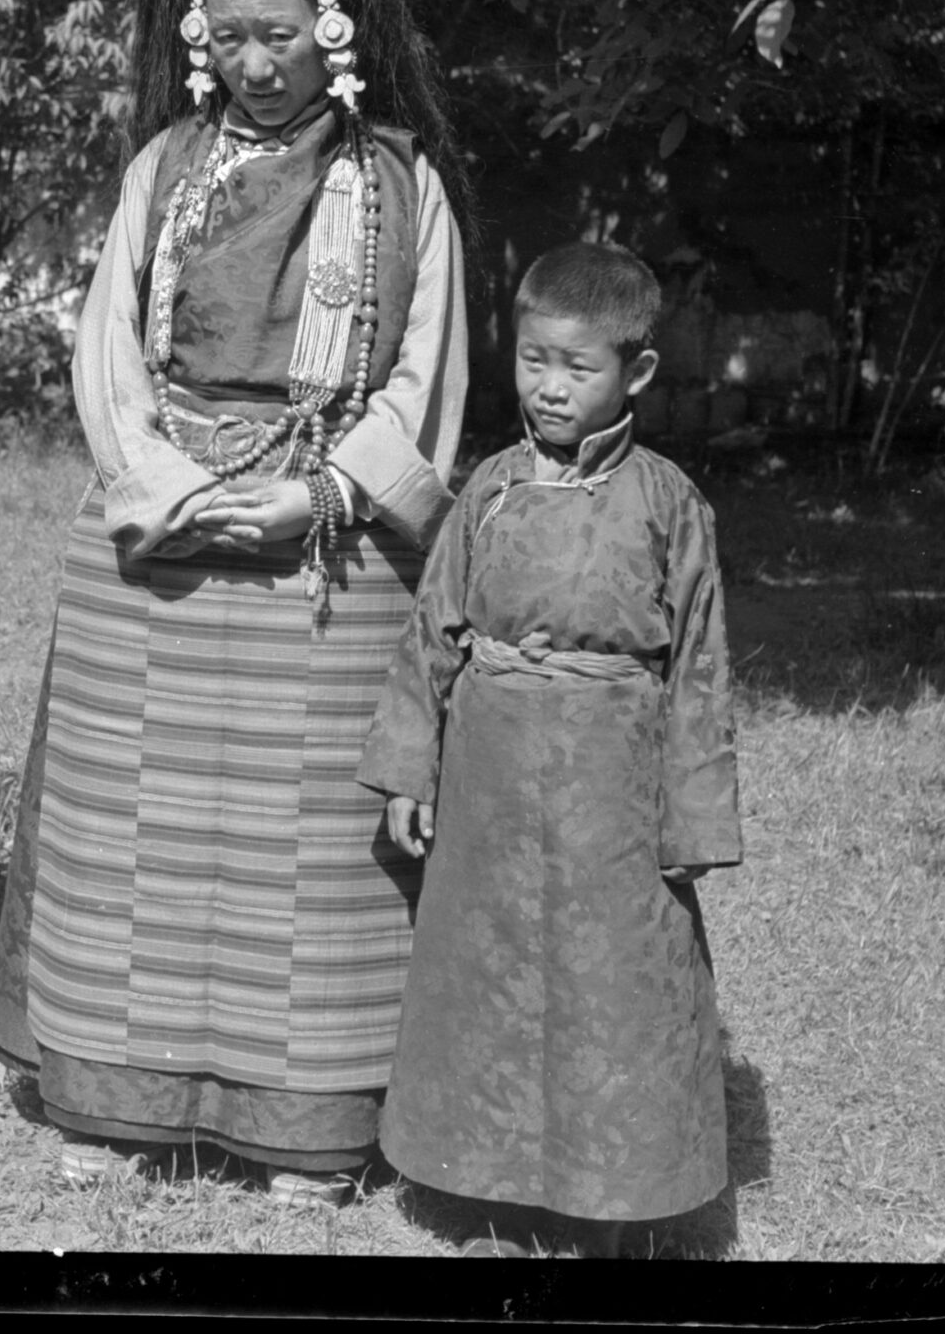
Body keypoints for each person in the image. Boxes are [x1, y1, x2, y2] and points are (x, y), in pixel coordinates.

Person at [0, 0, 473, 1207]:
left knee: (308, 857)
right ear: (202, 37)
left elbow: (424, 373)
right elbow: (106, 357)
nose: (257, 64)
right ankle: (109, 1095)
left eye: (281, 35)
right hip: (159, 542)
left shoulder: (397, 188)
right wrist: (174, 492)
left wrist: (313, 497)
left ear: (333, 28)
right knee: (124, 835)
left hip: (326, 549)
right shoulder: (162, 173)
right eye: (232, 37)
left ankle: (303, 1124)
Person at [358, 242, 741, 1256]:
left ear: (636, 373)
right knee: (485, 976)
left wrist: (690, 816)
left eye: (578, 366)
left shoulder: (667, 503)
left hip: (608, 792)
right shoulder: (485, 486)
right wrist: (407, 760)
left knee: (609, 982)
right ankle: (482, 1184)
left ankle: (611, 1196)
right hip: (486, 772)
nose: (550, 386)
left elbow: (699, 665)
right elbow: (430, 629)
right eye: (534, 360)